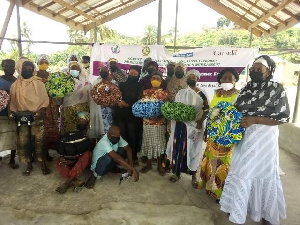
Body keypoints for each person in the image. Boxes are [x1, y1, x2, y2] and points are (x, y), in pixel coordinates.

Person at [220, 55, 290, 225]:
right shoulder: (246, 88)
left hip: (264, 141)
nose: (256, 71)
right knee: (243, 172)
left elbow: (283, 117)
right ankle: (240, 209)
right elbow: (235, 110)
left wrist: (254, 120)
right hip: (244, 139)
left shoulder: (276, 89)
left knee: (263, 174)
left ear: (269, 71)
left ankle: (267, 214)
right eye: (254, 69)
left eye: (260, 69)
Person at [198, 67, 239, 201]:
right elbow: (211, 113)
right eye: (224, 78)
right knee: (211, 162)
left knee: (223, 165)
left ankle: (220, 193)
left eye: (230, 78)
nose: (227, 80)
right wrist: (206, 130)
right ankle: (209, 187)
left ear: (235, 81)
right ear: (220, 79)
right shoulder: (217, 94)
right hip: (213, 136)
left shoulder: (238, 96)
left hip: (227, 138)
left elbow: (237, 118)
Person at [166, 66, 207, 186]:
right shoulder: (181, 92)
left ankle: (194, 176)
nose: (190, 79)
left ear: (197, 79)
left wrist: (200, 121)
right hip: (180, 126)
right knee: (178, 148)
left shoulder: (202, 94)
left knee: (193, 150)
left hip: (195, 126)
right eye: (189, 77)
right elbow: (177, 108)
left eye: (193, 77)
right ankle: (176, 173)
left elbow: (206, 109)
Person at [9, 58, 50, 175]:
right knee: (24, 142)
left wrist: (40, 112)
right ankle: (29, 165)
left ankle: (43, 165)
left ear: (33, 69)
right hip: (21, 119)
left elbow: (44, 102)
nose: (27, 69)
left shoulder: (39, 84)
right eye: (25, 68)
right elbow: (12, 103)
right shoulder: (14, 86)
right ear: (20, 69)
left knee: (40, 141)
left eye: (30, 68)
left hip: (37, 118)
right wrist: (12, 114)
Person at [55, 112, 92, 194]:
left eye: (83, 121)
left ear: (87, 121)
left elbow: (90, 150)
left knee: (87, 154)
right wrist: (63, 157)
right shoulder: (72, 133)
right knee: (58, 161)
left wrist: (74, 161)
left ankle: (67, 182)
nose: (81, 123)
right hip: (72, 158)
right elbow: (67, 147)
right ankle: (75, 180)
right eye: (79, 121)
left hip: (84, 160)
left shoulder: (91, 133)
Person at [140, 71, 168, 175]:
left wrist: (160, 116)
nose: (155, 80)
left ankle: (160, 165)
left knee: (160, 143)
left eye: (158, 78)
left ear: (161, 81)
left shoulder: (164, 94)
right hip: (146, 122)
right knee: (147, 142)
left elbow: (166, 108)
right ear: (151, 80)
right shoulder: (145, 92)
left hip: (159, 123)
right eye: (154, 78)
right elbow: (141, 105)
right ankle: (148, 164)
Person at [113, 65, 143, 164]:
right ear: (128, 73)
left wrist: (128, 104)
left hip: (133, 115)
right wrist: (119, 102)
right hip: (121, 114)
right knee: (123, 135)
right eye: (131, 73)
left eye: (135, 73)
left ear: (138, 75)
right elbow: (117, 96)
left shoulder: (140, 86)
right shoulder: (122, 85)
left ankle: (133, 157)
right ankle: (123, 156)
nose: (132, 74)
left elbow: (140, 100)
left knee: (133, 136)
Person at [36, 54, 60, 160]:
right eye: (41, 63)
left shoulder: (51, 76)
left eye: (46, 63)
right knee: (42, 128)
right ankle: (41, 152)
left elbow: (57, 91)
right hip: (40, 105)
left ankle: (50, 149)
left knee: (53, 126)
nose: (44, 65)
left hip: (52, 105)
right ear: (37, 64)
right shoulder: (34, 77)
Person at [61, 61, 91, 134]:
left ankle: (82, 144)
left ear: (80, 70)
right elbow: (60, 97)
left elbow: (90, 95)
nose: (74, 70)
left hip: (83, 108)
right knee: (70, 129)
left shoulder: (86, 82)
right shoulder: (64, 82)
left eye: (76, 68)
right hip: (68, 110)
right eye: (72, 68)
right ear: (69, 70)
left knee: (82, 128)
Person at [0, 59, 18, 169]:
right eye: (7, 66)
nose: (9, 68)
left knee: (13, 136)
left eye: (12, 66)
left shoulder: (17, 81)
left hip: (13, 113)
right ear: (3, 67)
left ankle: (12, 159)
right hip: (1, 113)